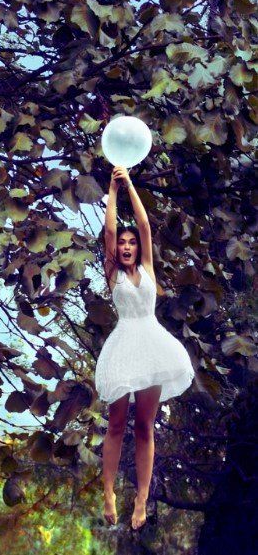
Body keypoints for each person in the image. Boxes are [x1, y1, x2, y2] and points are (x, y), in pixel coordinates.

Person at [95, 165, 195, 530]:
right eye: (122, 243)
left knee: (145, 427)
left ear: (138, 247)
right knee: (116, 423)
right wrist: (112, 188)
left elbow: (145, 225)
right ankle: (108, 491)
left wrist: (130, 184)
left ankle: (141, 498)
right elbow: (110, 230)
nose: (125, 246)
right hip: (124, 347)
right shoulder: (113, 273)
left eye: (130, 242)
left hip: (152, 347)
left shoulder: (148, 268)